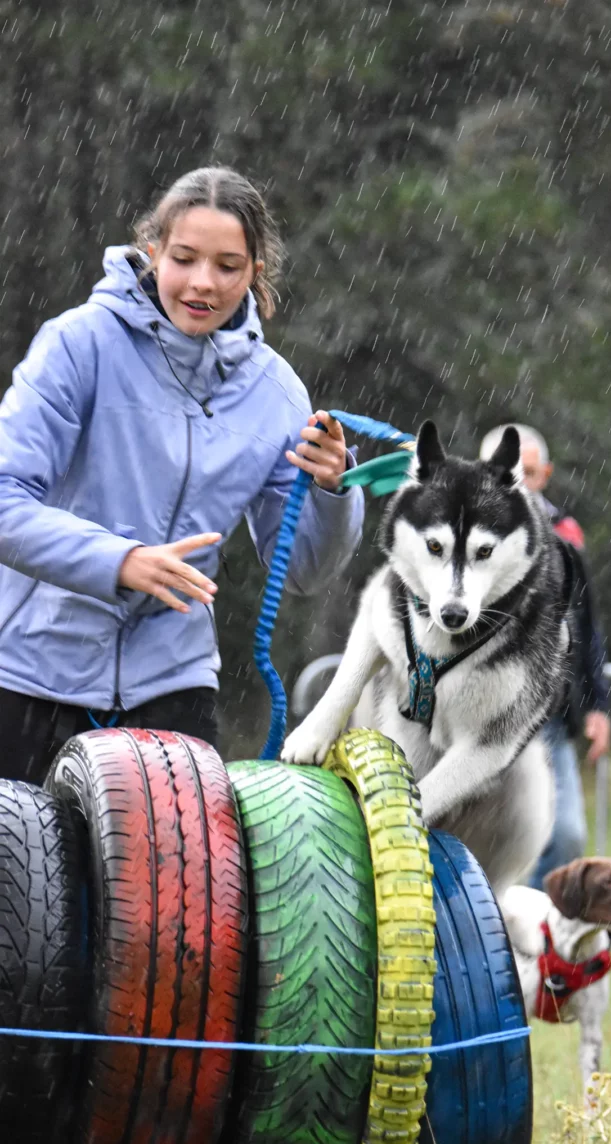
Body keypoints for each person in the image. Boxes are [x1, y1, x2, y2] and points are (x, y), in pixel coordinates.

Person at [0, 166, 364, 783]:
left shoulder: (278, 394)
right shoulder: (78, 344)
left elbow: (302, 568)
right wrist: (120, 561)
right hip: (31, 675)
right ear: (152, 252)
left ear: (255, 273)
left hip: (172, 689)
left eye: (227, 266)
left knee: (178, 884)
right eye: (184, 258)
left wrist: (334, 490)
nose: (203, 283)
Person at [479, 423, 611, 889]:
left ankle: (538, 941)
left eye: (529, 473)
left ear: (546, 475)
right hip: (486, 717)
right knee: (497, 844)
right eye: (508, 473)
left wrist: (597, 705)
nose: (520, 484)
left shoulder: (565, 537)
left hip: (551, 717)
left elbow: (588, 627)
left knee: (566, 835)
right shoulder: (469, 536)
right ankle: (500, 946)